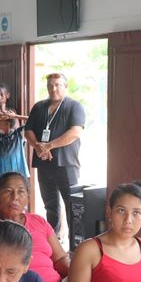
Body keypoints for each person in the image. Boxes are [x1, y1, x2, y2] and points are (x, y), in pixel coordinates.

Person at [0, 172, 68, 282]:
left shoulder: (39, 221)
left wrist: (76, 277)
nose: (15, 197)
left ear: (28, 198)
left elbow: (60, 258)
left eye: (21, 192)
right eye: (8, 191)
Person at [24, 73, 86, 238]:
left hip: (66, 164)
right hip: (44, 163)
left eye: (57, 85)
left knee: (73, 206)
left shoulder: (74, 106)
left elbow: (75, 132)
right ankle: (54, 240)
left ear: (65, 86)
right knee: (50, 205)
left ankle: (76, 244)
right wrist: (38, 147)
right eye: (50, 85)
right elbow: (28, 130)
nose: (53, 89)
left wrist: (49, 146)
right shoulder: (39, 107)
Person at [0, 83, 29, 192]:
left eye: (2, 95)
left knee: (10, 176)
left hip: (10, 148)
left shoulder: (12, 112)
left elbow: (16, 129)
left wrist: (13, 118)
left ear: (7, 95)